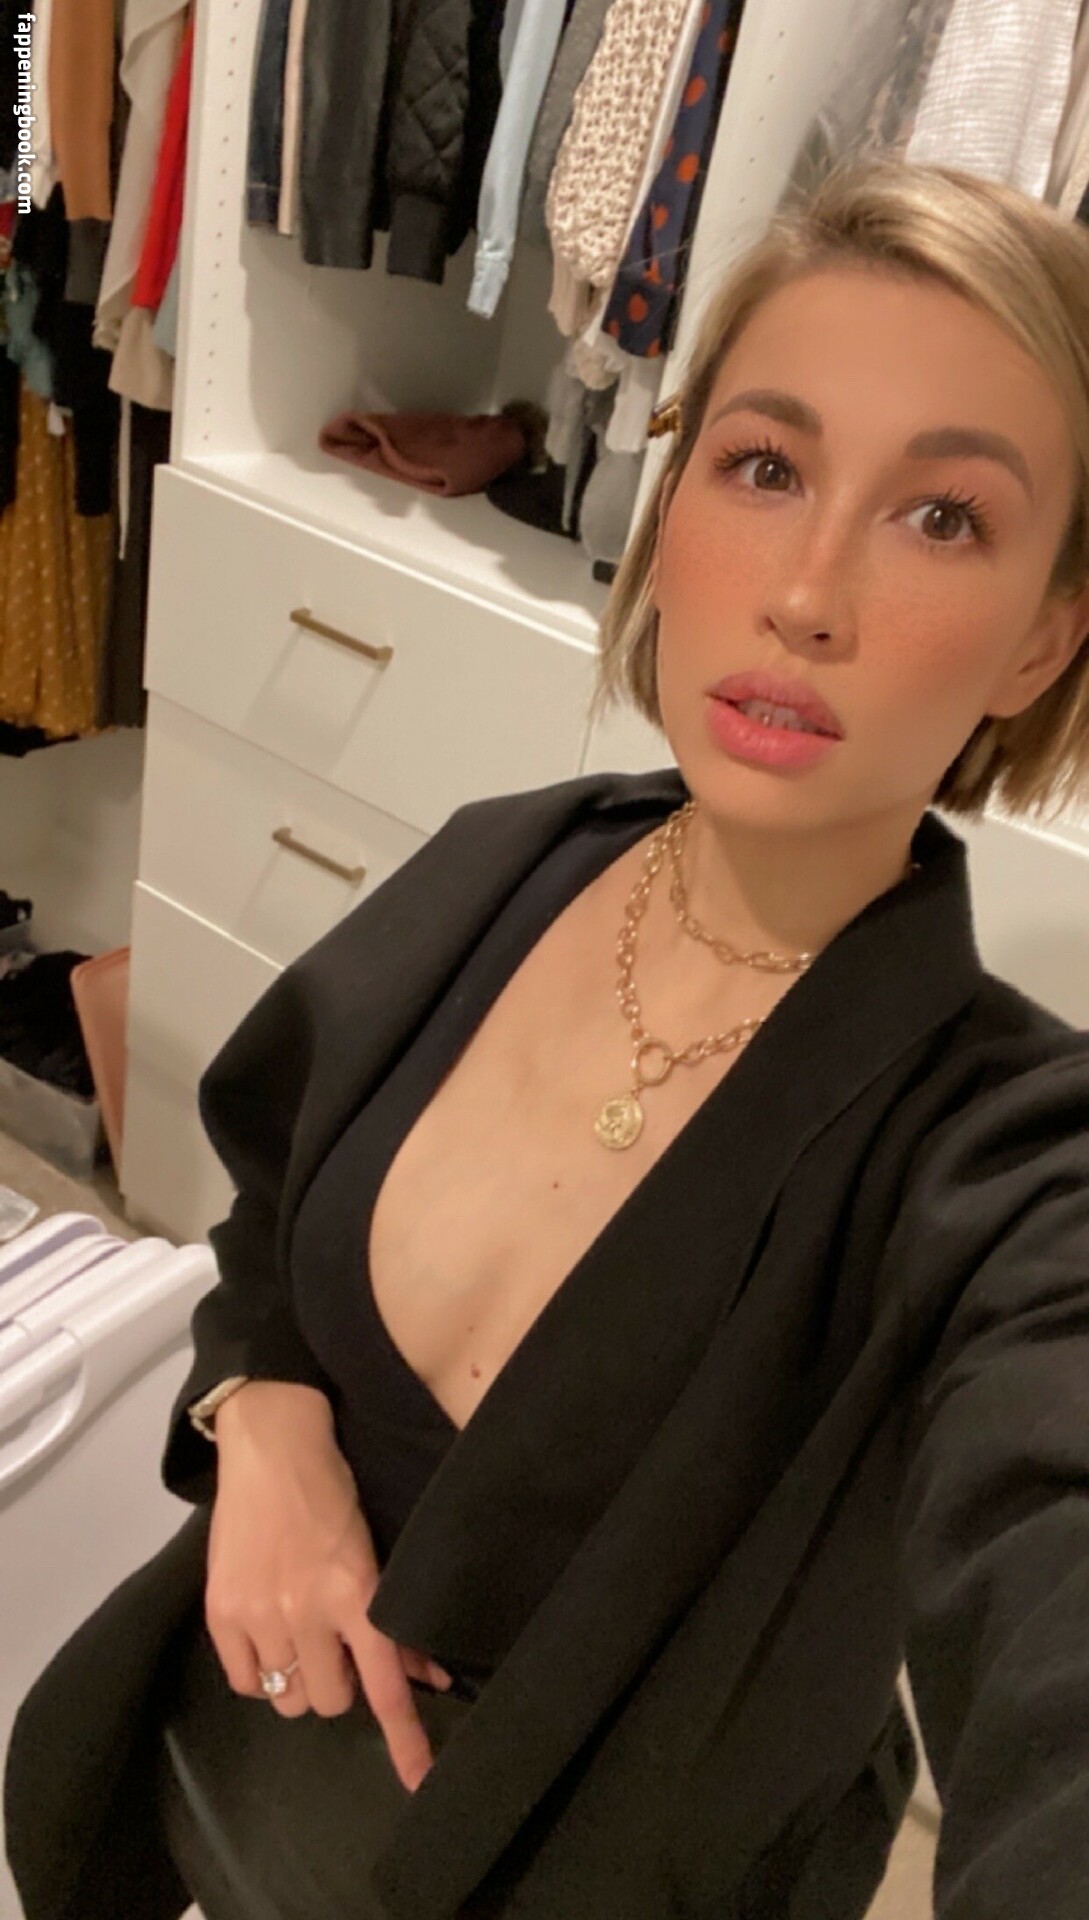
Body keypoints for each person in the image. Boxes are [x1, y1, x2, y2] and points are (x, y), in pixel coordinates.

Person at [6, 152, 1089, 1920]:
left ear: (1043, 637)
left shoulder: (1009, 1157)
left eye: (944, 516)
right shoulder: (508, 862)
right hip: (197, 1790)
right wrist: (260, 1409)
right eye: (765, 467)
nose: (807, 592)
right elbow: (272, 1218)